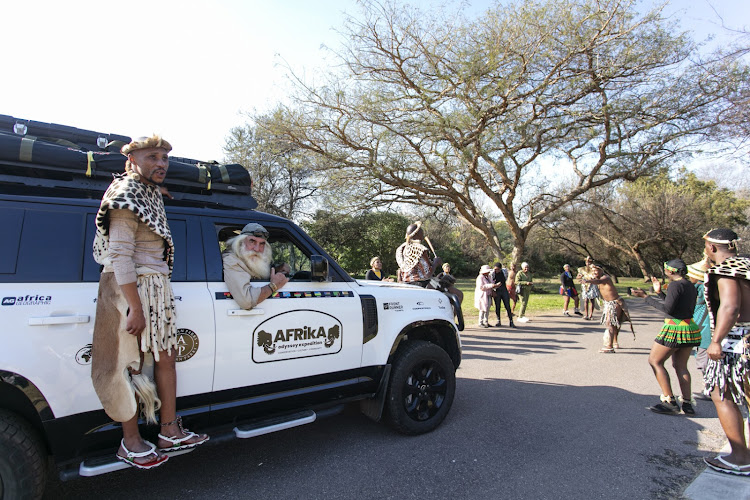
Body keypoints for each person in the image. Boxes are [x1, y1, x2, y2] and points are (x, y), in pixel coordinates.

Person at [91, 135, 208, 470]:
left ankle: (169, 431)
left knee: (166, 358)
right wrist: (136, 308)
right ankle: (129, 442)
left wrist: (159, 190)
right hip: (131, 289)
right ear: (132, 161)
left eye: (165, 158)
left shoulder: (147, 192)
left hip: (156, 287)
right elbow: (120, 255)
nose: (161, 164)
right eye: (153, 157)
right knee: (129, 364)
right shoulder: (126, 194)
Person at [700, 228, 750, 476]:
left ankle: (740, 457)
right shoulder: (747, 265)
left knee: (722, 395)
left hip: (737, 341)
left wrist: (716, 340)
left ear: (711, 247)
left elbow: (730, 307)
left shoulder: (725, 270)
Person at [631, 260, 700, 415]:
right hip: (689, 328)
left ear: (670, 271)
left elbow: (668, 309)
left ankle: (669, 401)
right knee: (681, 366)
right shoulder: (689, 285)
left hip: (675, 328)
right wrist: (659, 293)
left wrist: (645, 297)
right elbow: (676, 306)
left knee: (655, 361)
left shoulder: (675, 285)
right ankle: (687, 403)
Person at [222, 223, 289, 309]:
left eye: (262, 244)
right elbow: (246, 301)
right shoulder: (231, 260)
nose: (257, 249)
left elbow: (256, 270)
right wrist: (273, 285)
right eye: (252, 241)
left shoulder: (249, 257)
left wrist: (277, 269)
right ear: (241, 242)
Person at [395, 221, 463, 301]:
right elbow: (427, 275)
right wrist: (435, 263)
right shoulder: (420, 249)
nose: (423, 234)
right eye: (421, 232)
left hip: (406, 282)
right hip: (421, 284)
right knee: (458, 294)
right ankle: (450, 313)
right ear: (416, 234)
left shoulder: (401, 248)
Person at [581, 265, 633, 353]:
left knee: (610, 323)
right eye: (593, 271)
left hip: (615, 302)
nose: (594, 273)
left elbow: (599, 281)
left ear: (601, 271)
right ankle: (614, 342)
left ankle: (609, 346)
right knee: (614, 323)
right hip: (608, 303)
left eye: (596, 271)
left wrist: (588, 281)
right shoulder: (597, 278)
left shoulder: (605, 278)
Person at [687, 259, 711, 380]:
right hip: (701, 329)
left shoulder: (700, 288)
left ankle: (709, 387)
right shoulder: (705, 287)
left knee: (703, 359)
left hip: (704, 330)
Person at [491, 262, 514, 327]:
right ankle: (498, 320)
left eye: (498, 269)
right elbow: (491, 281)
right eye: (495, 269)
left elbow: (506, 278)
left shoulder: (504, 271)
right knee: (497, 306)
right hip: (497, 290)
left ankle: (511, 321)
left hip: (504, 289)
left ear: (500, 269)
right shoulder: (492, 273)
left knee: (507, 305)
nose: (496, 270)